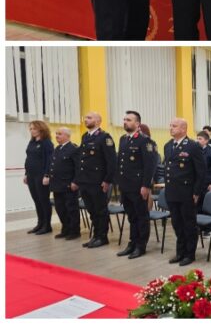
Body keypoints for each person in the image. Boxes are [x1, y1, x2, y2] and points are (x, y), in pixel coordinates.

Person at [115, 111, 158, 259]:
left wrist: (146, 186)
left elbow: (150, 165)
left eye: (129, 120)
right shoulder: (123, 139)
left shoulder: (145, 141)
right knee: (131, 217)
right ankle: (132, 243)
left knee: (141, 217)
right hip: (126, 186)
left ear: (137, 123)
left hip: (138, 186)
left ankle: (141, 245)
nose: (125, 122)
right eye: (124, 119)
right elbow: (120, 163)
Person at [163, 118, 206, 266]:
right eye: (170, 125)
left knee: (189, 224)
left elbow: (201, 171)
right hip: (172, 191)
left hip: (187, 192)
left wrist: (197, 192)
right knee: (177, 224)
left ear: (183, 129)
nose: (171, 128)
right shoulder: (168, 145)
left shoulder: (193, 146)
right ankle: (180, 252)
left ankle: (189, 254)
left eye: (174, 126)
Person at [75, 112, 115, 248]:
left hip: (97, 181)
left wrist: (107, 180)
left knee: (100, 210)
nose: (85, 120)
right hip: (85, 180)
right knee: (92, 210)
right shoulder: (85, 136)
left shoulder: (105, 137)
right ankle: (96, 235)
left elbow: (111, 161)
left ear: (98, 121)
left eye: (89, 118)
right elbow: (82, 160)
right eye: (85, 117)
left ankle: (102, 237)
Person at [45, 127, 81, 240]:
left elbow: (78, 167)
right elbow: (52, 165)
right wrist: (48, 176)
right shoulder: (57, 149)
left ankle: (74, 231)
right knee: (60, 209)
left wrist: (75, 181)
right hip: (57, 184)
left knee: (71, 209)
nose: (57, 136)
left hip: (68, 185)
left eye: (59, 134)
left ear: (67, 136)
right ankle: (65, 229)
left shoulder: (73, 149)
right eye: (56, 134)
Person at [24, 120, 54, 236]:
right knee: (36, 200)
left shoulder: (46, 143)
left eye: (34, 128)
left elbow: (49, 160)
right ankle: (40, 223)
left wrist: (47, 175)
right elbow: (28, 159)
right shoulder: (32, 142)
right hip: (31, 175)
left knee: (43, 200)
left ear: (41, 129)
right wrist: (26, 174)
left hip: (41, 175)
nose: (32, 131)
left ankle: (47, 225)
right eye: (30, 129)